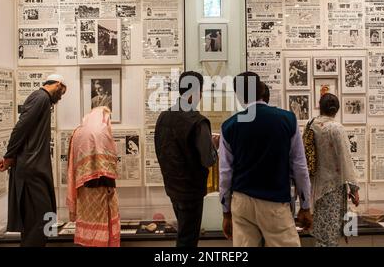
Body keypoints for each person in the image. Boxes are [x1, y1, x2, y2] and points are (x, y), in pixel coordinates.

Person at [219, 73, 312, 247]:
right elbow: (299, 166)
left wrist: (226, 212)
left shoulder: (229, 126)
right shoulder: (287, 120)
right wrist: (305, 205)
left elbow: (225, 173)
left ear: (239, 96)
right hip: (275, 202)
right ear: (262, 90)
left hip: (242, 201)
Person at [0, 74, 67, 247]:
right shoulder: (41, 97)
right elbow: (21, 127)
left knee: (42, 217)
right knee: (43, 217)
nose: (61, 96)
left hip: (36, 167)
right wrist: (9, 156)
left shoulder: (43, 100)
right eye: (62, 91)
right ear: (57, 84)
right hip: (31, 168)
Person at [154, 71, 219, 247]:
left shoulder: (163, 117)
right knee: (188, 240)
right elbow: (208, 160)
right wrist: (214, 146)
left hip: (172, 187)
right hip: (191, 191)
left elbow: (160, 150)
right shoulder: (198, 122)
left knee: (184, 234)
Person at [310, 93, 360, 247]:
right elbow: (346, 159)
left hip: (317, 187)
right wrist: (354, 189)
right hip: (333, 188)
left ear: (320, 107)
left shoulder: (312, 125)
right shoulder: (336, 128)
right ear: (337, 109)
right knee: (330, 237)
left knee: (322, 234)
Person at [67, 106, 120, 247]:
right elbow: (105, 165)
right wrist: (110, 186)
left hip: (83, 188)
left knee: (87, 223)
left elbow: (73, 162)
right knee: (102, 223)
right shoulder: (101, 132)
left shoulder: (77, 132)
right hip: (101, 186)